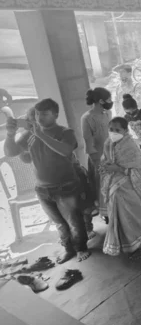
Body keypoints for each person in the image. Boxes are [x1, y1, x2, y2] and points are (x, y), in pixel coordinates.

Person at [4, 98, 90, 263]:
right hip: (43, 189)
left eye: (44, 114)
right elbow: (10, 152)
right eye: (37, 114)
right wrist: (10, 134)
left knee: (74, 221)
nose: (39, 117)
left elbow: (65, 151)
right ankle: (68, 249)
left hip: (66, 186)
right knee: (59, 224)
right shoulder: (30, 135)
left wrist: (41, 135)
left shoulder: (65, 133)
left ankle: (81, 248)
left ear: (55, 115)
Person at [100, 117, 141, 259]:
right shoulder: (108, 143)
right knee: (120, 217)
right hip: (113, 184)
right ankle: (127, 244)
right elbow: (104, 159)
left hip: (129, 185)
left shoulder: (130, 145)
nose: (113, 132)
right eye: (111, 129)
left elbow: (139, 168)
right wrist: (104, 167)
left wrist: (118, 168)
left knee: (133, 215)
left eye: (117, 130)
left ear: (125, 130)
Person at [81, 87, 112, 220]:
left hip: (112, 154)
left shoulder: (107, 114)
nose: (110, 102)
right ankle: (107, 215)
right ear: (101, 101)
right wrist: (98, 163)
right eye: (109, 99)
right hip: (98, 157)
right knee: (102, 186)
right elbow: (88, 143)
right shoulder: (87, 118)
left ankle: (118, 210)